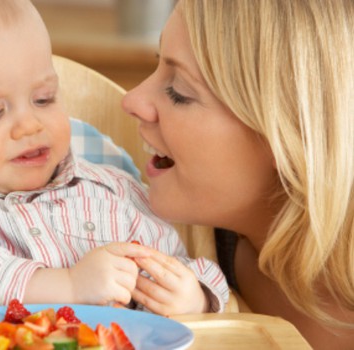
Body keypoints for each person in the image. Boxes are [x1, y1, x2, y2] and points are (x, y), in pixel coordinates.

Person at [0, 0, 229, 319]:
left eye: (44, 99)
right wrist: (70, 286)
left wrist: (194, 297)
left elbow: (171, 266)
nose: (29, 125)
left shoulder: (112, 192)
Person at [122, 0, 354, 349]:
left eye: (179, 91)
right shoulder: (183, 249)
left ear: (291, 136)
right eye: (157, 65)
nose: (131, 100)